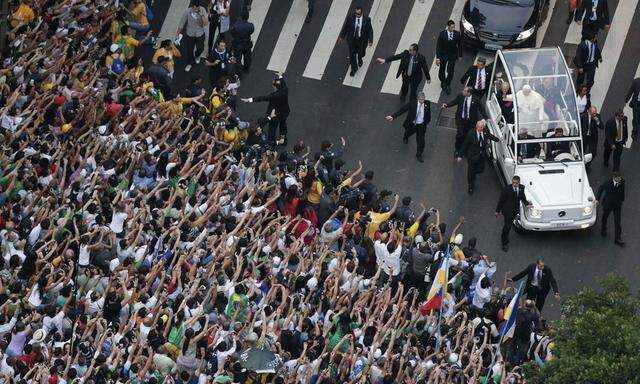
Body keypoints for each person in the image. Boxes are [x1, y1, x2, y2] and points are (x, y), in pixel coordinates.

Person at [241, 74, 290, 145]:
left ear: (275, 87)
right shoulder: (285, 89)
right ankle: (284, 140)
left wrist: (249, 100)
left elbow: (262, 98)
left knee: (272, 129)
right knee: (283, 126)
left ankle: (271, 143)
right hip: (284, 112)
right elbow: (283, 83)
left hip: (274, 115)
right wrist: (280, 76)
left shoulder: (274, 95)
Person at [385, 92, 431, 162]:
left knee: (421, 141)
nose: (422, 101)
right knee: (408, 132)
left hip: (421, 125)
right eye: (421, 99)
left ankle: (419, 154)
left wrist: (427, 121)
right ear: (418, 98)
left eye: (423, 99)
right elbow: (403, 110)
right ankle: (405, 137)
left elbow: (428, 113)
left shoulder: (427, 103)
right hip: (412, 124)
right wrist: (393, 116)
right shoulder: (412, 103)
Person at [458, 120, 499, 194]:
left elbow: (490, 136)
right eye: (479, 127)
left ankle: (474, 173)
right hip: (472, 156)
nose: (480, 129)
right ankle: (470, 186)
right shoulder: (471, 133)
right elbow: (465, 144)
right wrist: (460, 155)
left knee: (480, 169)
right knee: (470, 172)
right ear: (476, 126)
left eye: (482, 127)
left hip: (481, 155)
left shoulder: (485, 131)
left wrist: (498, 140)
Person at [442, 86, 484, 157]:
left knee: (468, 136)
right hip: (461, 119)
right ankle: (457, 149)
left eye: (465, 91)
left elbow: (481, 108)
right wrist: (447, 105)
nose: (463, 92)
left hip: (470, 121)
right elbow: (455, 102)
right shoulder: (460, 96)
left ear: (469, 93)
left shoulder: (476, 99)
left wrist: (486, 117)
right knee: (460, 134)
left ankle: (465, 150)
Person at [495, 176, 532, 252]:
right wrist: (497, 211)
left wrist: (527, 204)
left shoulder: (521, 188)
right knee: (507, 226)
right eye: (513, 182)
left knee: (510, 223)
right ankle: (504, 242)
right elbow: (501, 200)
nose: (514, 184)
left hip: (515, 210)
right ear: (512, 182)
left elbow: (522, 197)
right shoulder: (506, 189)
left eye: (516, 183)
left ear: (519, 182)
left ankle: (506, 233)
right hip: (507, 211)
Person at [338, 6, 373, 77]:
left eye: (358, 14)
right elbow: (346, 27)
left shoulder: (367, 19)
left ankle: (360, 58)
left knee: (361, 53)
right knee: (352, 55)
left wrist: (370, 40)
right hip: (352, 40)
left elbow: (370, 30)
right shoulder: (350, 17)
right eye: (356, 13)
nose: (357, 15)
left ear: (362, 13)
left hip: (362, 40)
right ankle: (354, 69)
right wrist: (342, 36)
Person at [176, 0, 209, 72]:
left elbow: (206, 23)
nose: (196, 9)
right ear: (192, 6)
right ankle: (189, 63)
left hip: (200, 33)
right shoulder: (187, 11)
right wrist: (177, 33)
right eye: (194, 8)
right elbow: (182, 22)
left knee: (200, 48)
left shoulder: (202, 10)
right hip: (190, 33)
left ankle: (197, 55)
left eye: (197, 7)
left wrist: (202, 15)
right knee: (189, 50)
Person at [595, 172, 625, 245]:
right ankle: (603, 229)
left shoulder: (622, 181)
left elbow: (622, 191)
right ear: (614, 178)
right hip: (608, 204)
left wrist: (622, 200)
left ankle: (617, 239)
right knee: (605, 217)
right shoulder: (608, 183)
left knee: (617, 221)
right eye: (618, 178)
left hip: (617, 204)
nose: (619, 179)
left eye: (620, 178)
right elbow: (600, 188)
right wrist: (597, 199)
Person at [436, 20, 462, 95]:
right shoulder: (442, 34)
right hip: (443, 54)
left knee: (451, 70)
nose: (453, 29)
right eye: (451, 27)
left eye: (454, 27)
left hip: (453, 55)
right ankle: (443, 81)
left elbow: (460, 45)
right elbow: (438, 46)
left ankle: (447, 83)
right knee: (442, 69)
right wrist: (438, 58)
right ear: (448, 26)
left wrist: (460, 55)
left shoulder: (457, 34)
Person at [580, 106, 602, 172]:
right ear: (588, 112)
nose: (594, 115)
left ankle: (588, 165)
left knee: (593, 153)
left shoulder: (597, 116)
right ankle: (581, 164)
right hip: (584, 137)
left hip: (592, 137)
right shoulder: (583, 117)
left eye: (595, 113)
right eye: (593, 114)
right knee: (581, 151)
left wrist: (598, 121)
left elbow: (602, 126)